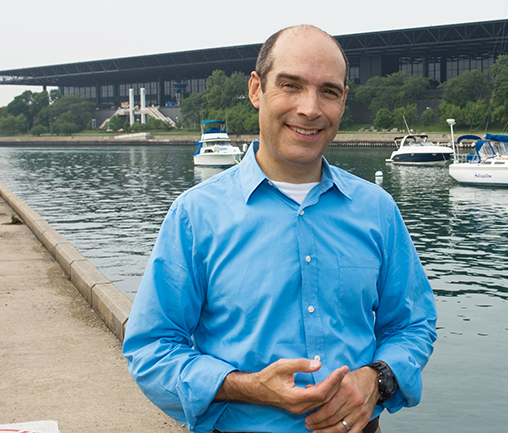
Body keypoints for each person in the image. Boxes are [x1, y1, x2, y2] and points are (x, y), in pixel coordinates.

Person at [122, 25, 437, 433]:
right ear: (256, 89)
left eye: (328, 91)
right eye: (291, 85)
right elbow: (151, 349)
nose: (310, 108)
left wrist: (377, 379)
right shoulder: (195, 216)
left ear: (343, 100)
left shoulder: (377, 210)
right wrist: (247, 387)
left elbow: (412, 324)